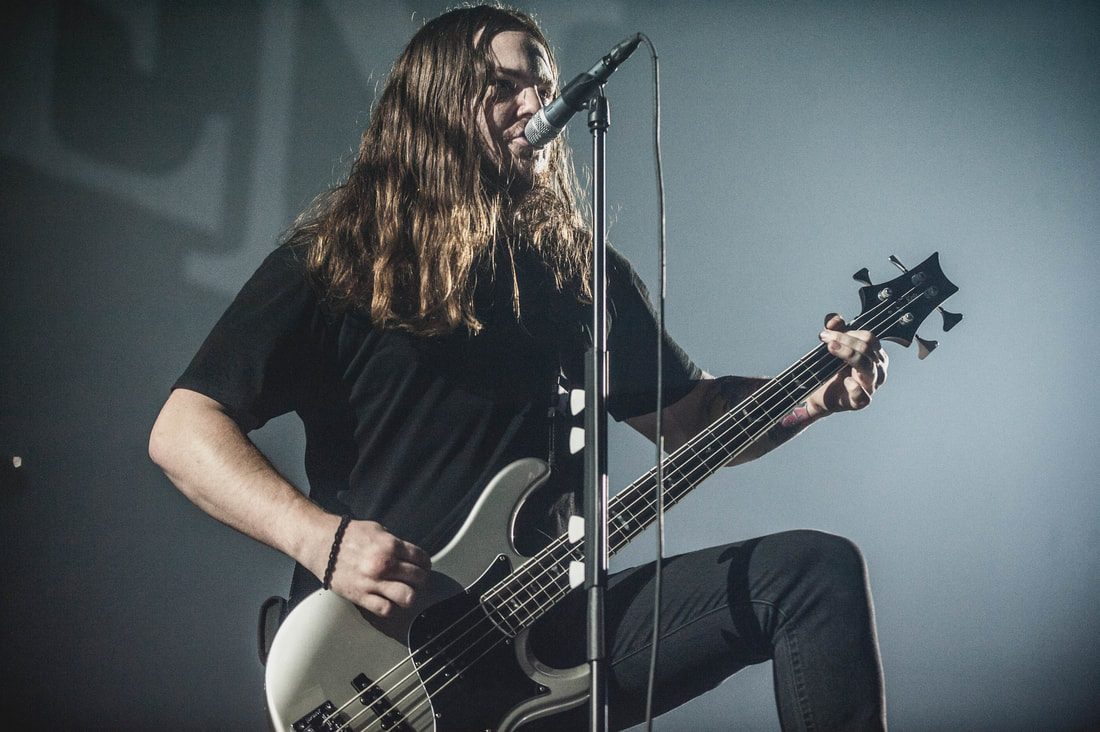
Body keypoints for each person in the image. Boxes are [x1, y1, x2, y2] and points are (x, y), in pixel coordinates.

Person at [149, 5, 888, 730]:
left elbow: (692, 417)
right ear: (436, 105)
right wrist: (322, 542)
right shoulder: (344, 257)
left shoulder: (583, 276)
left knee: (810, 577)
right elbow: (183, 430)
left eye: (543, 85)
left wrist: (808, 396)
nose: (538, 106)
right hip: (385, 663)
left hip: (554, 628)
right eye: (503, 86)